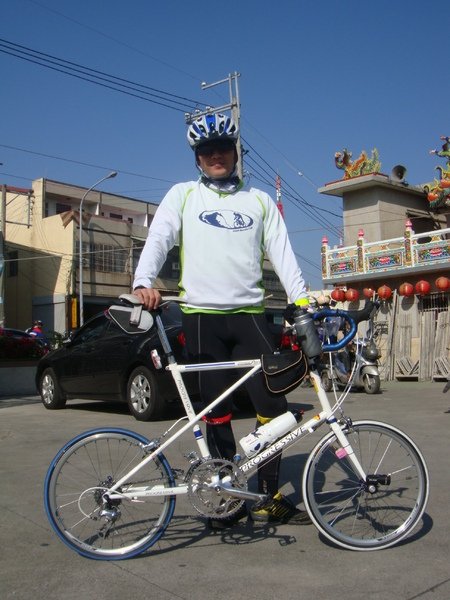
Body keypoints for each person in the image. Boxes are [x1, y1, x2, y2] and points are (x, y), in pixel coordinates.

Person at [133, 113, 311, 528]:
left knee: (274, 406)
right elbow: (159, 238)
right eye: (206, 151)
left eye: (223, 149)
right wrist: (144, 279)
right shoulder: (182, 196)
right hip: (200, 319)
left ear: (235, 153)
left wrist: (301, 301)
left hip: (250, 316)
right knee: (215, 411)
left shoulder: (260, 200)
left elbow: (283, 254)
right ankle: (224, 495)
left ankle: (268, 495)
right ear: (197, 159)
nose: (216, 156)